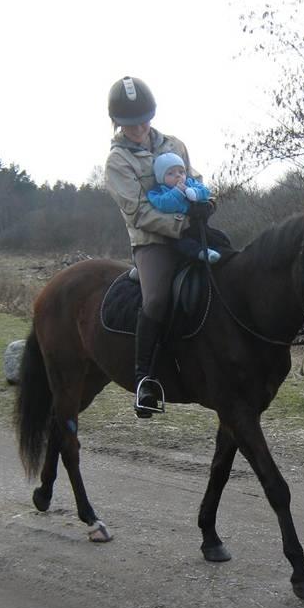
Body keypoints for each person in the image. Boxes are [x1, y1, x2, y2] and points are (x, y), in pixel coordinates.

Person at [104, 75, 208, 419]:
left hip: (192, 230)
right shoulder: (118, 161)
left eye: (143, 120)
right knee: (157, 299)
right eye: (130, 124)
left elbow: (193, 179)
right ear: (118, 124)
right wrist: (180, 226)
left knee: (230, 269)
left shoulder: (174, 145)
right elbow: (137, 212)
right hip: (153, 244)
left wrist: (206, 201)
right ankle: (144, 380)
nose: (139, 128)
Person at [148, 152, 221, 264]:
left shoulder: (190, 183)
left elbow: (205, 191)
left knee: (219, 237)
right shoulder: (157, 192)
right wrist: (177, 192)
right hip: (178, 230)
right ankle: (203, 253)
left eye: (181, 172)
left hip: (197, 223)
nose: (178, 176)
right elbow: (164, 205)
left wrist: (194, 193)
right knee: (183, 244)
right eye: (170, 173)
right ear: (160, 177)